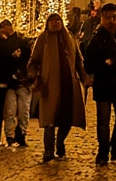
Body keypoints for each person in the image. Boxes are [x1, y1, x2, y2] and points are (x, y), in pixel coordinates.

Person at [28, 12, 89, 162]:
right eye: (52, 20)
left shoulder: (69, 38)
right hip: (50, 85)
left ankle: (60, 142)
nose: (55, 23)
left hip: (68, 84)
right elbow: (34, 60)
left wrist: (84, 78)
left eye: (57, 20)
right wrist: (34, 76)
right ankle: (48, 150)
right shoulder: (43, 39)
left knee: (67, 118)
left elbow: (78, 61)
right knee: (49, 120)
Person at [84, 2, 116, 165]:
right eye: (108, 18)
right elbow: (88, 64)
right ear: (102, 18)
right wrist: (103, 64)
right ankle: (103, 152)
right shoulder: (96, 38)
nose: (112, 21)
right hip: (103, 84)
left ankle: (115, 146)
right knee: (103, 121)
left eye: (114, 17)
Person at [0, 19, 32, 147]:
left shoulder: (21, 42)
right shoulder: (5, 43)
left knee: (22, 111)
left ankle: (20, 133)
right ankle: (11, 135)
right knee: (11, 110)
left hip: (22, 80)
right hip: (11, 82)